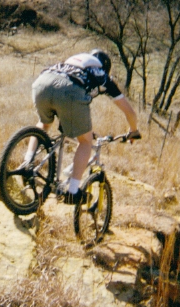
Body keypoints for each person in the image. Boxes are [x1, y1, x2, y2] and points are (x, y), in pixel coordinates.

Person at [28, 49, 141, 204]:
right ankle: (73, 191)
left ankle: (27, 162)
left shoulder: (73, 64)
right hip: (70, 90)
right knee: (86, 142)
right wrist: (133, 131)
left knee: (44, 124)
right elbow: (130, 112)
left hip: (42, 81)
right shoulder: (102, 76)